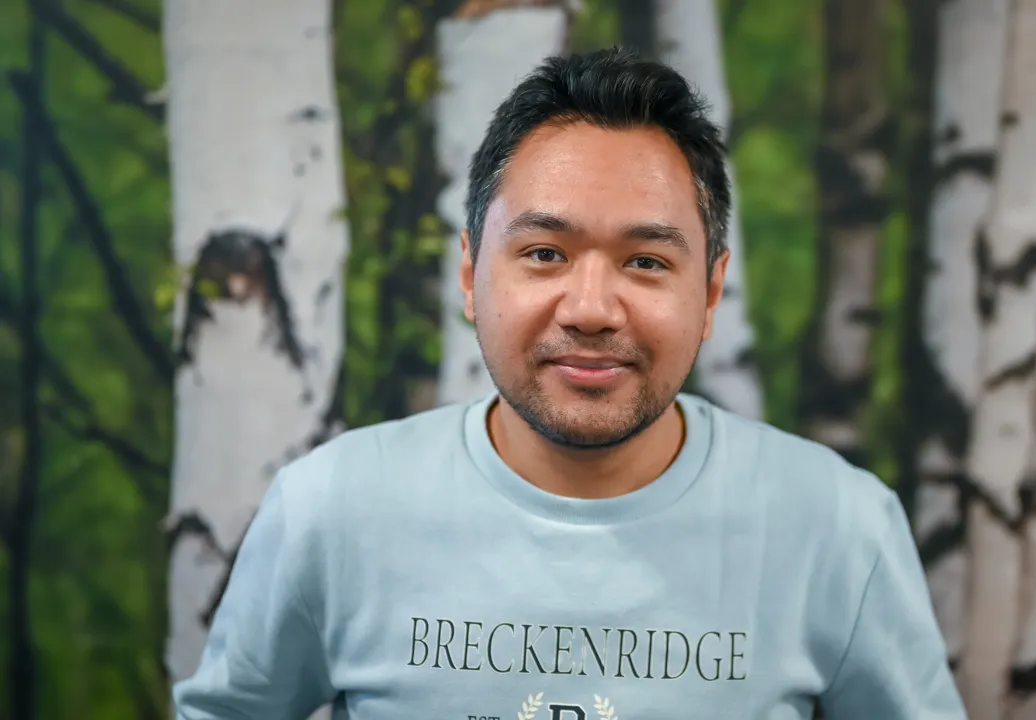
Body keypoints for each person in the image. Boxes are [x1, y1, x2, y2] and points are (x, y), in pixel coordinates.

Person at [172, 47, 965, 719]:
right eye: (544, 253)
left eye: (646, 262)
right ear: (470, 272)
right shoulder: (330, 509)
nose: (590, 310)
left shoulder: (838, 528)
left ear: (713, 291)